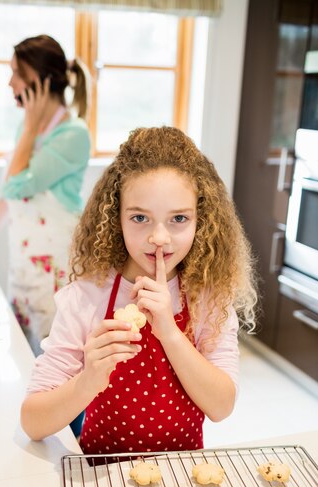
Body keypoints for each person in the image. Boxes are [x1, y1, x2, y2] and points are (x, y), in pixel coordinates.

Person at [21, 126, 258, 454]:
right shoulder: (88, 296)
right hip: (101, 479)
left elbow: (221, 406)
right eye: (139, 218)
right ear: (116, 217)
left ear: (200, 220)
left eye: (178, 218)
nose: (159, 237)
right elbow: (33, 423)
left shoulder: (208, 298)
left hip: (181, 475)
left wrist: (170, 333)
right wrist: (88, 380)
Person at [0, 35, 91, 355]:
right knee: (24, 355)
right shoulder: (25, 128)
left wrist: (29, 128)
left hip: (55, 269)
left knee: (56, 362)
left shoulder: (73, 134)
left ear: (39, 81)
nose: (9, 82)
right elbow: (9, 195)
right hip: (24, 263)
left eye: (16, 73)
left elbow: (17, 185)